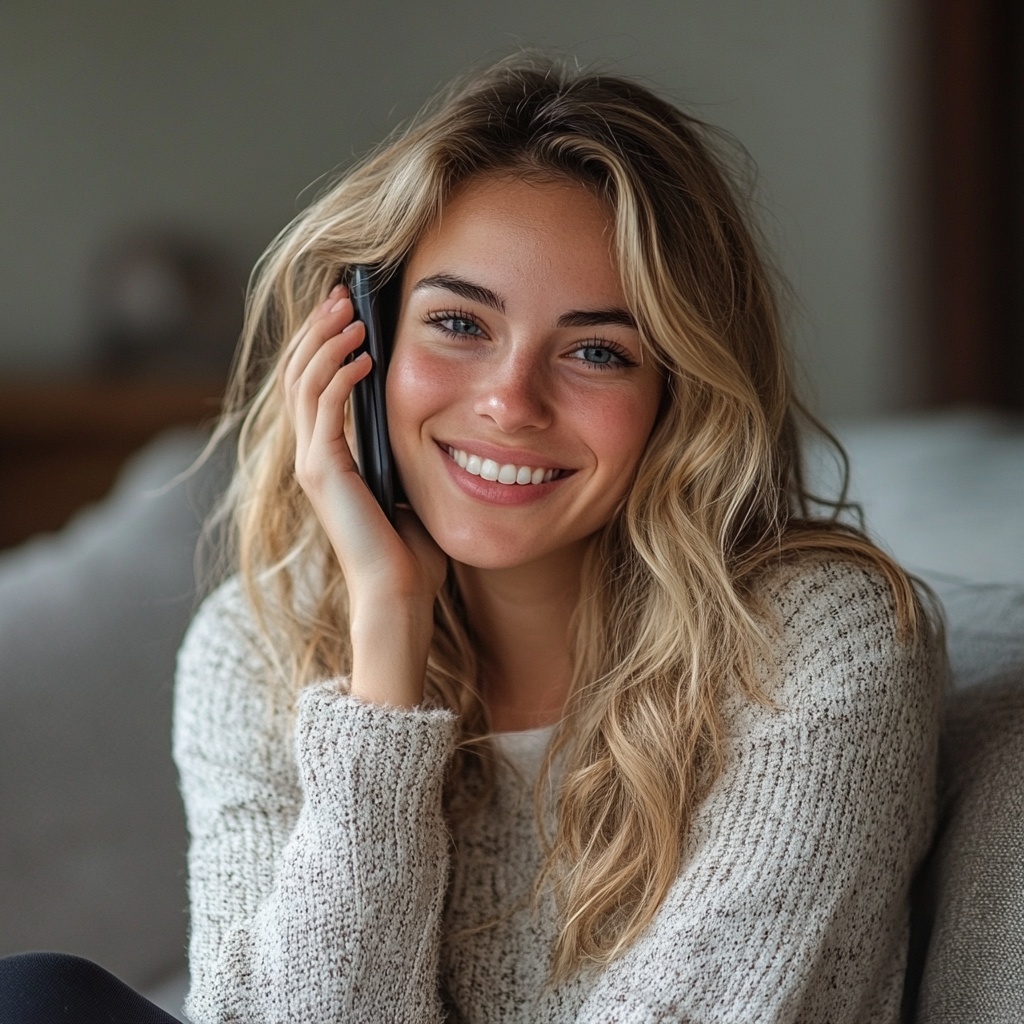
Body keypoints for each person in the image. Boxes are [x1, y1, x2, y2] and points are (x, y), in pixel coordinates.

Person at [0, 55, 941, 1023]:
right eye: (457, 322)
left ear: (678, 395)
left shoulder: (819, 645)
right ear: (359, 349)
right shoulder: (256, 644)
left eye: (594, 351)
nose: (508, 401)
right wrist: (387, 637)